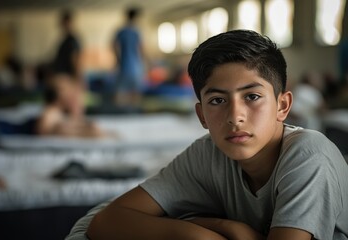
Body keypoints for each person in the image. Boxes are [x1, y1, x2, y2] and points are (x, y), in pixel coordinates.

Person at [85, 30, 348, 239]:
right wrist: (206, 232)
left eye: (252, 96)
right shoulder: (207, 153)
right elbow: (105, 222)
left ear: (282, 106)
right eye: (218, 101)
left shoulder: (309, 154)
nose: (235, 116)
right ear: (201, 116)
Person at [35, 74, 106, 138]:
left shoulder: (60, 113)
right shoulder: (50, 113)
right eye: (71, 94)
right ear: (61, 95)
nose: (76, 99)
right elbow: (48, 130)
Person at [113, 7, 145, 107]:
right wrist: (145, 63)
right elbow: (140, 49)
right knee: (135, 94)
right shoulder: (136, 32)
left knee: (120, 93)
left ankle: (120, 112)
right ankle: (134, 113)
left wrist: (118, 59)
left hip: (124, 66)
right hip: (135, 67)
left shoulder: (121, 31)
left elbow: (114, 45)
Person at [53, 10, 81, 77]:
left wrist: (77, 77)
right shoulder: (65, 40)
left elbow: (75, 60)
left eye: (65, 23)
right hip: (62, 74)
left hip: (66, 77)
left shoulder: (72, 40)